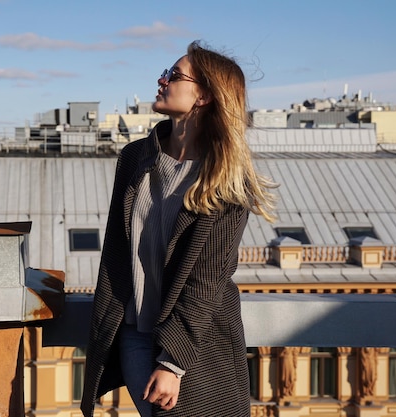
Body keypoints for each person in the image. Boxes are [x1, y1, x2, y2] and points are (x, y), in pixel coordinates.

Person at [81, 40, 276, 417]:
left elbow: (208, 278)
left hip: (196, 346)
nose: (161, 80)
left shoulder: (227, 179)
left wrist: (173, 363)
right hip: (137, 334)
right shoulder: (135, 158)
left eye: (173, 75)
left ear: (203, 95)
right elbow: (117, 254)